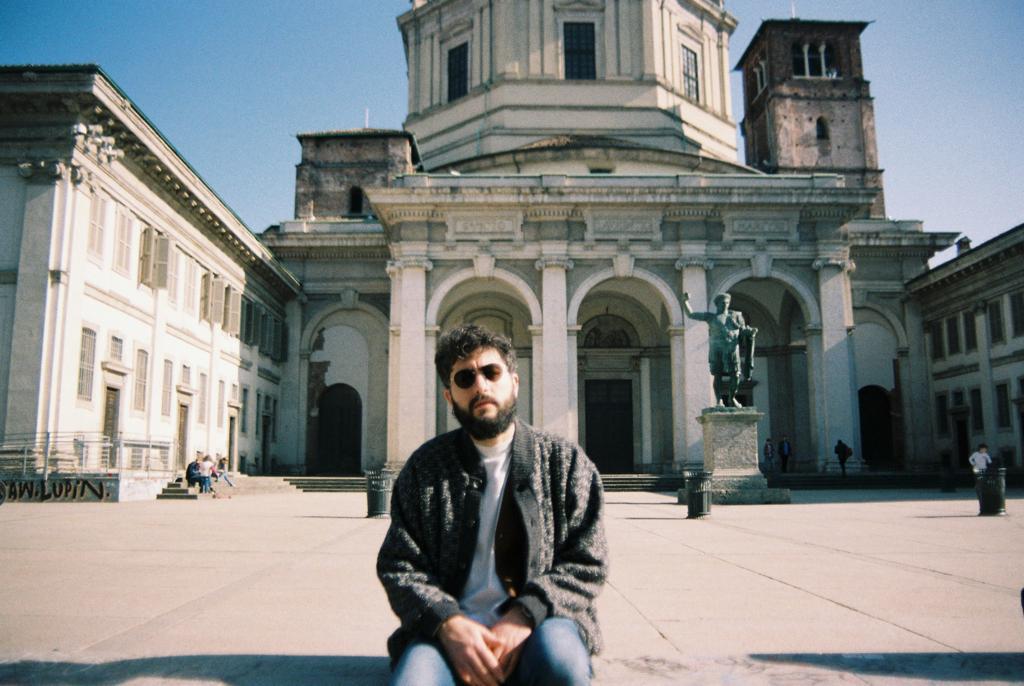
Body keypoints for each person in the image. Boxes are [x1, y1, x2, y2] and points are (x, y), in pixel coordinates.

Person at [377, 324, 608, 686]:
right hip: (448, 633)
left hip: (543, 624)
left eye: (491, 372)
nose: (480, 386)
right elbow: (399, 564)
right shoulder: (425, 468)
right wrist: (447, 621)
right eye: (465, 378)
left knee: (563, 667)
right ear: (449, 396)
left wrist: (526, 613)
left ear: (514, 382)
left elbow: (588, 560)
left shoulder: (566, 462)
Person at [682, 292, 757, 407]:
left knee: (736, 375)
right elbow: (691, 314)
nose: (725, 305)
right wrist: (685, 301)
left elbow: (742, 330)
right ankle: (719, 400)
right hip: (717, 349)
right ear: (717, 304)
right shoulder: (711, 317)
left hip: (732, 349)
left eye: (726, 303)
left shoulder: (736, 316)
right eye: (722, 303)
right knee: (718, 375)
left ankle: (732, 398)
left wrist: (750, 332)